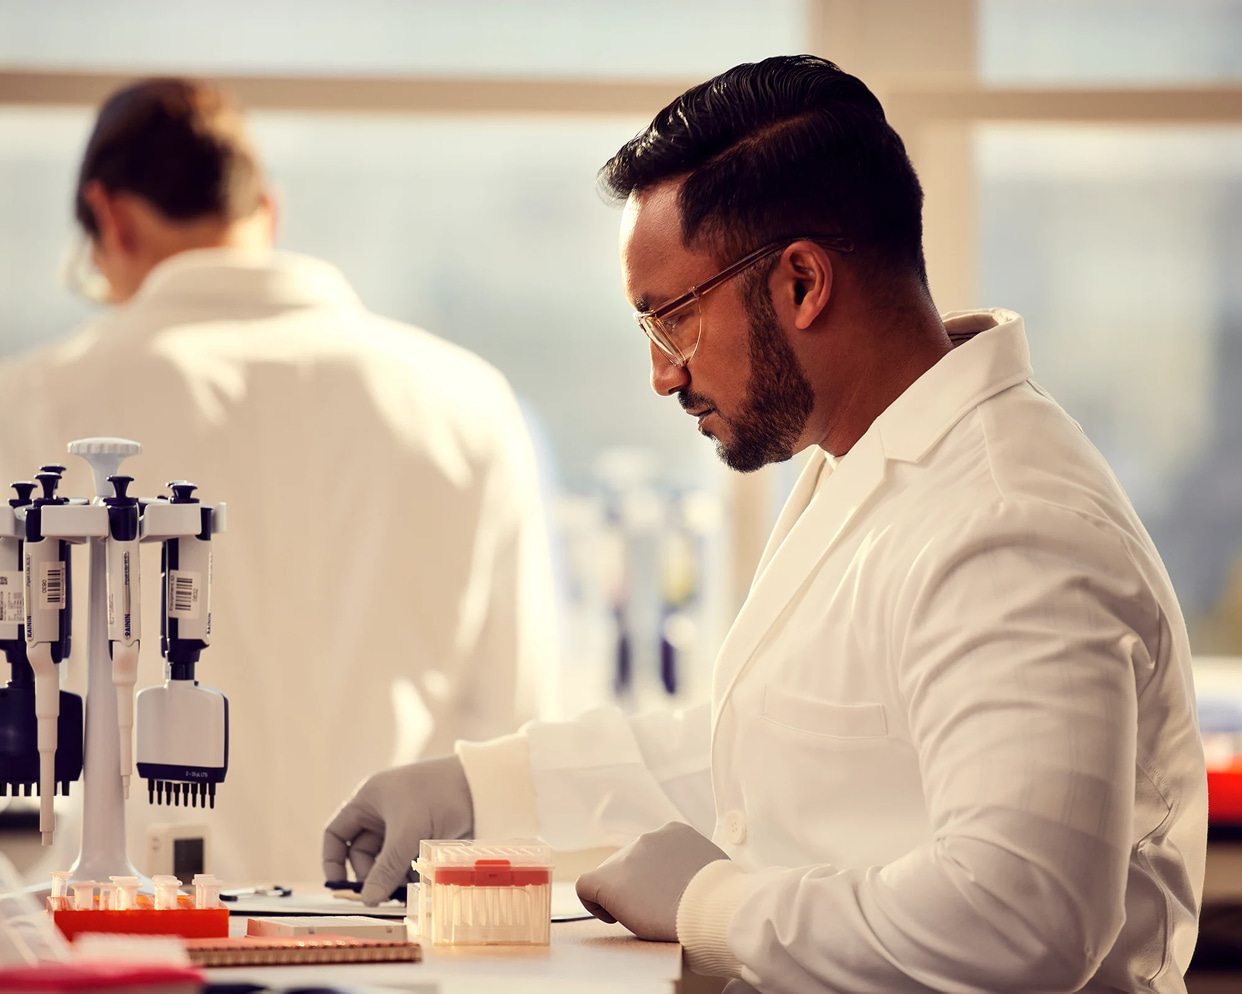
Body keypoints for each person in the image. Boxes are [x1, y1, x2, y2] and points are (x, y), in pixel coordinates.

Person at [324, 56, 1206, 992]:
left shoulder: (1009, 524)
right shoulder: (867, 458)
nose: (663, 373)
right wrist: (479, 789)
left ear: (800, 283)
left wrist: (714, 904)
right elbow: (770, 750)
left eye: (672, 319)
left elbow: (1020, 920)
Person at [0, 77, 558, 882]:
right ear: (268, 211)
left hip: (128, 937)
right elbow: (514, 724)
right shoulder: (468, 402)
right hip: (390, 937)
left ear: (108, 219)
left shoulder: (31, 405)